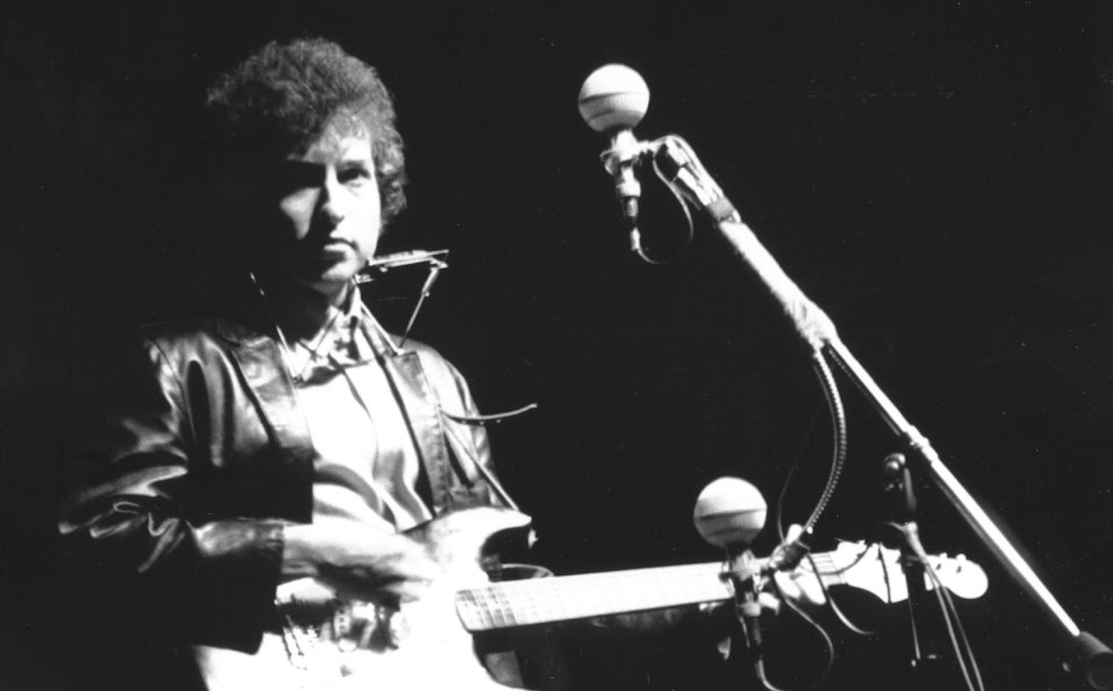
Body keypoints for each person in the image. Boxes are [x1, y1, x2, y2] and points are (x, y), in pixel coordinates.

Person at [57, 37, 529, 691]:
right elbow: (97, 537)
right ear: (249, 198)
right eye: (300, 180)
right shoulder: (177, 362)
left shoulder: (436, 376)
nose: (334, 207)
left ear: (383, 189)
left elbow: (489, 585)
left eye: (353, 175)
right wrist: (310, 551)